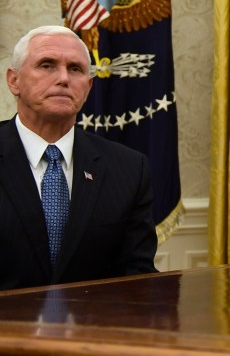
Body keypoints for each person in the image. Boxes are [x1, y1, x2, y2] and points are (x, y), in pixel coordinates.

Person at [0, 25, 158, 290]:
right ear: (14, 80)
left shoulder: (129, 169)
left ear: (88, 86)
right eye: (47, 65)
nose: (63, 78)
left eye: (75, 69)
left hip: (92, 327)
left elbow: (137, 277)